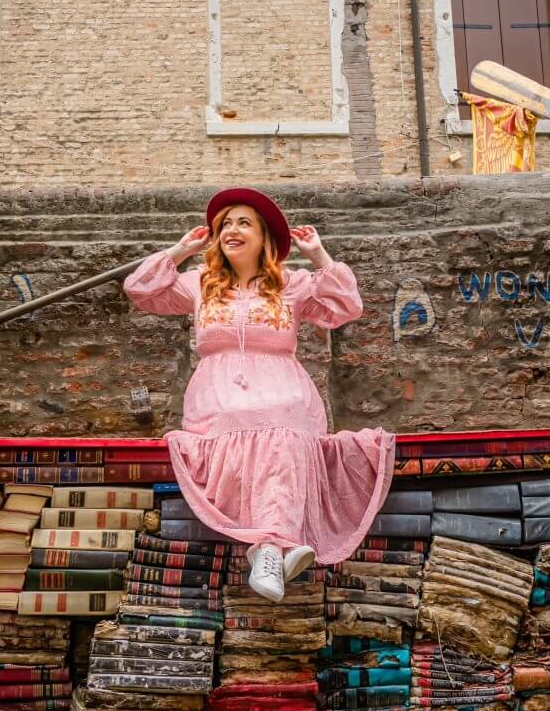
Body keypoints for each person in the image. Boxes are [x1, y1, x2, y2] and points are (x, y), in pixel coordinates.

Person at [124, 188, 395, 603]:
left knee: (283, 429)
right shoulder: (199, 284)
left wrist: (319, 255)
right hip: (219, 399)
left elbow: (346, 307)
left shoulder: (293, 284)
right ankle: (281, 548)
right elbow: (140, 289)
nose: (231, 230)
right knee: (265, 429)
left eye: (243, 222)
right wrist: (181, 250)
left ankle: (269, 551)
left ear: (264, 237)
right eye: (225, 224)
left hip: (286, 394)